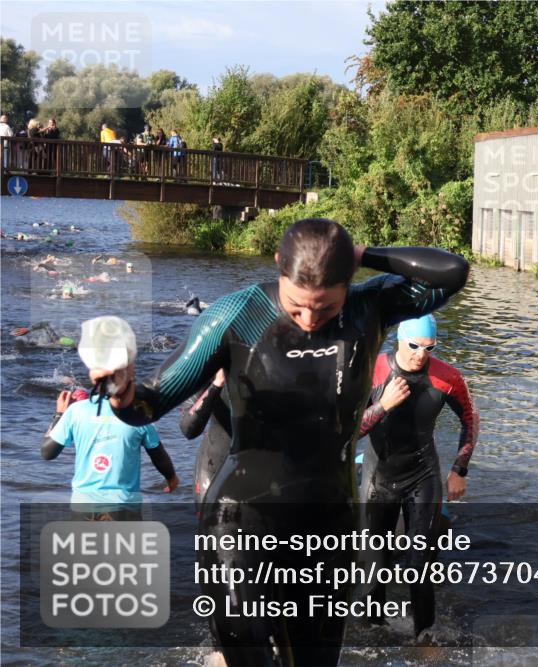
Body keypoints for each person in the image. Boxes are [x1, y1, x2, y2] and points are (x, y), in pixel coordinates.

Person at [88, 218, 469, 666]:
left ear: (348, 283)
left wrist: (361, 253)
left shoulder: (371, 308)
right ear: (278, 268)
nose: (310, 320)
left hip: (329, 522)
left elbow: (452, 271)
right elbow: (147, 405)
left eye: (325, 308)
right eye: (297, 306)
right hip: (239, 520)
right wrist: (121, 392)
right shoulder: (237, 315)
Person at [359, 313, 479, 637]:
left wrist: (459, 469)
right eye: (414, 345)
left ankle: (424, 638)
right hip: (378, 479)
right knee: (374, 565)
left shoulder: (447, 377)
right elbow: (346, 429)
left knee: (420, 567)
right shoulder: (373, 370)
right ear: (399, 339)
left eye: (429, 347)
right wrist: (382, 405)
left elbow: (471, 418)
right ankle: (374, 633)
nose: (420, 354)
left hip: (422, 476)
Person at [40, 388, 179, 521]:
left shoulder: (76, 410)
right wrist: (171, 478)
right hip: (124, 508)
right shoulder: (138, 413)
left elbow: (47, 452)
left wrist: (59, 415)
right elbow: (158, 455)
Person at [178, 369, 231, 506]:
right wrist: (217, 384)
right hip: (215, 471)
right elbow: (188, 428)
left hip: (271, 475)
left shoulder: (283, 360)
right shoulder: (215, 361)